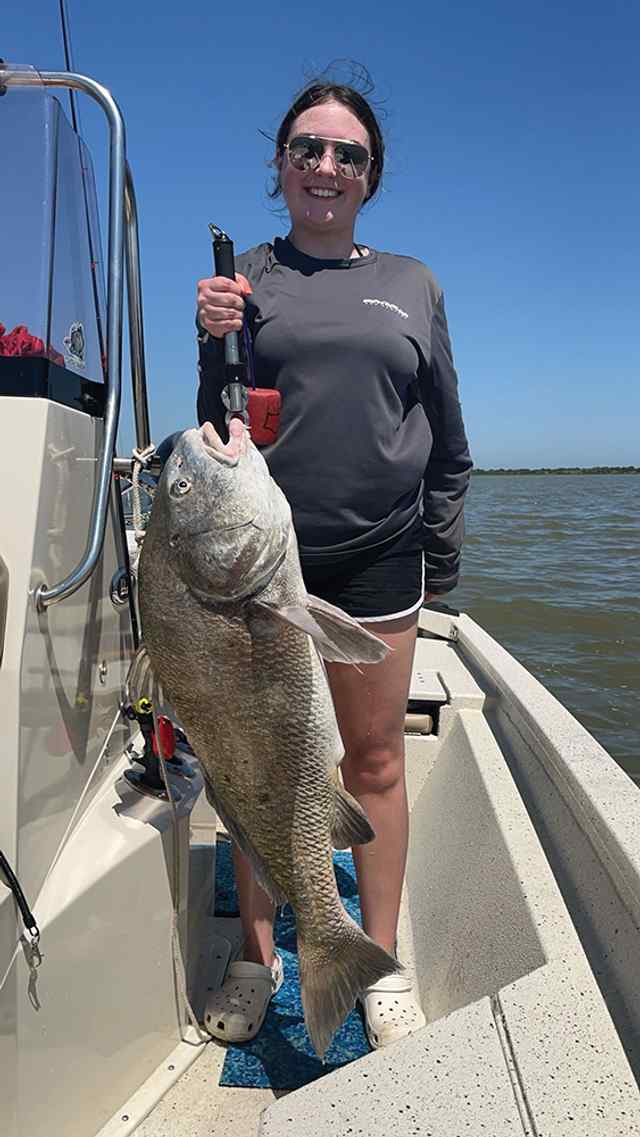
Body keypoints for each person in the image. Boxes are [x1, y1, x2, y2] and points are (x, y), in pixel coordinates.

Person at [195, 74, 472, 1050]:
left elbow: (447, 440)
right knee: (252, 768)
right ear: (280, 165)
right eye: (306, 148)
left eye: (346, 153)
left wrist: (438, 565)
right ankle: (258, 953)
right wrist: (213, 337)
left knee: (376, 763)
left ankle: (375, 958)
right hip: (255, 572)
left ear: (370, 175)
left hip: (378, 563)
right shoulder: (247, 284)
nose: (325, 166)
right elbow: (215, 429)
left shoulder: (412, 285)